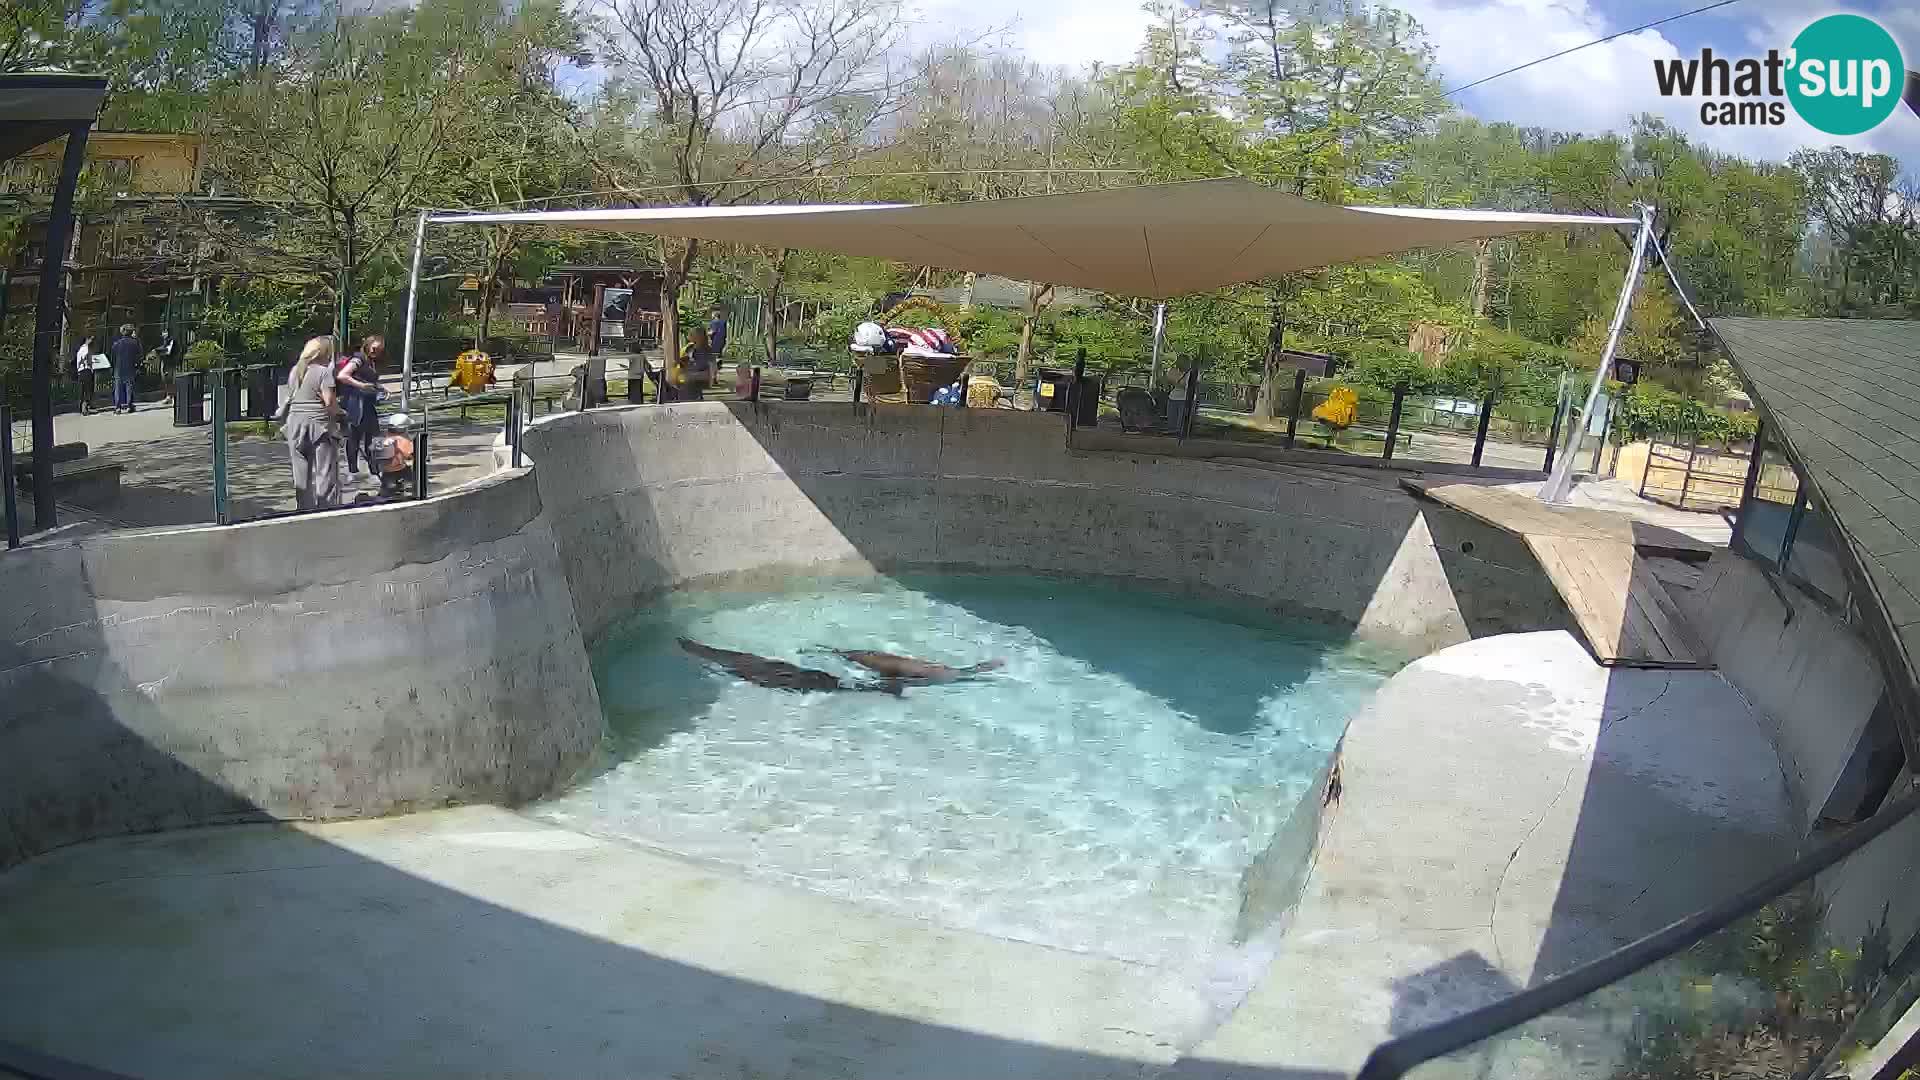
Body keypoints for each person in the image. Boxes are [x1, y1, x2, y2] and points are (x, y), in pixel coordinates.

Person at [283, 335, 343, 510]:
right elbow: (330, 404)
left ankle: (304, 510)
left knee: (300, 474)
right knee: (325, 472)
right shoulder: (324, 372)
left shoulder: (295, 371)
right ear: (325, 353)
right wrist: (343, 413)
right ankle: (326, 509)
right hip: (318, 426)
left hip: (294, 424)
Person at [335, 334, 385, 475]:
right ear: (368, 345)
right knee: (355, 436)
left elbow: (368, 379)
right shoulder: (358, 359)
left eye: (379, 350)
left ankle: (373, 467)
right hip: (356, 403)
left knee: (372, 436)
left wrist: (380, 387)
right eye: (374, 348)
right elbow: (343, 375)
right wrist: (361, 386)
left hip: (367, 403)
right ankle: (354, 469)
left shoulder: (371, 361)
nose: (376, 352)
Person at [676, 324, 716, 401]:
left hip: (696, 379)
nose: (688, 336)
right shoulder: (690, 347)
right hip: (689, 379)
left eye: (691, 334)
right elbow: (687, 360)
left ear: (698, 337)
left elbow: (707, 369)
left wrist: (689, 373)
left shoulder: (705, 350)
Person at [108, 323, 141, 413]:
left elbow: (112, 357)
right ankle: (129, 406)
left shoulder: (117, 344)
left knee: (118, 388)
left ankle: (117, 407)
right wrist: (137, 366)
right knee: (129, 387)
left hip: (118, 368)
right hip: (130, 367)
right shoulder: (135, 343)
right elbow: (138, 356)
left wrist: (112, 367)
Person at [73, 337, 96, 414]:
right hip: (86, 370)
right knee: (87, 390)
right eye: (91, 339)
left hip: (80, 371)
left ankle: (81, 407)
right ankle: (85, 408)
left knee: (82, 390)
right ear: (87, 340)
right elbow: (87, 358)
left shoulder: (80, 349)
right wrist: (91, 364)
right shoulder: (86, 349)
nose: (92, 341)